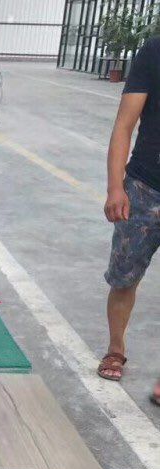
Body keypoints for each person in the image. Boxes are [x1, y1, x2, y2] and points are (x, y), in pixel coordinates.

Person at [101, 33, 160, 406]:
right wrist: (115, 187)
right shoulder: (155, 51)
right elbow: (125, 124)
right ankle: (116, 348)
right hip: (143, 189)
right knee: (124, 279)